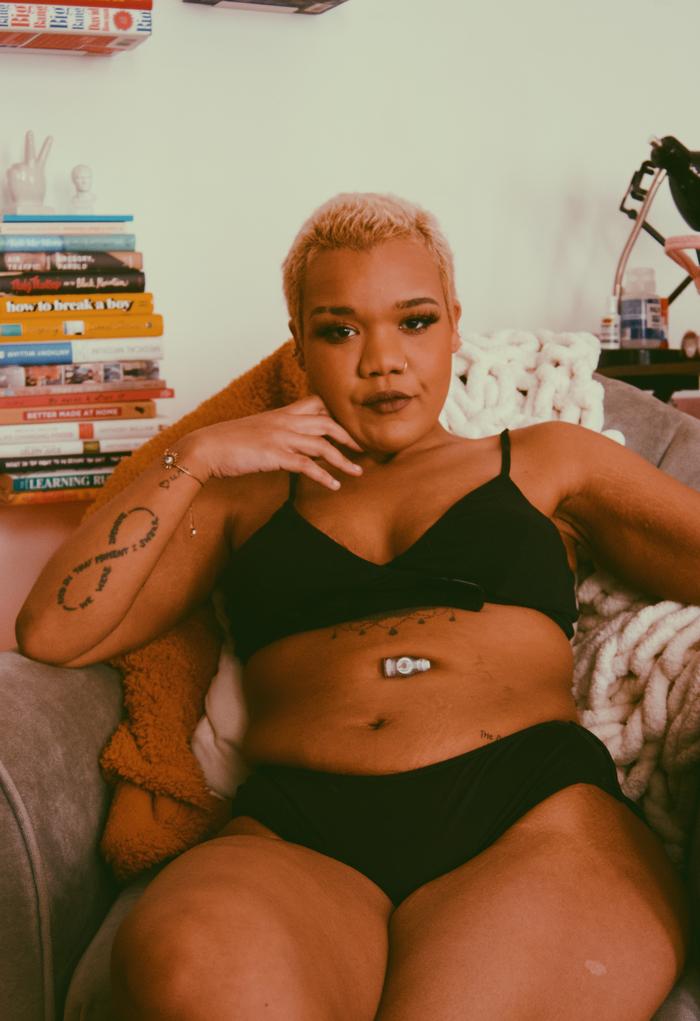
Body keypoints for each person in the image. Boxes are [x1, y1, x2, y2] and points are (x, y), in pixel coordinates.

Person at [16, 193, 693, 1020]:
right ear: (299, 344)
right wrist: (197, 455)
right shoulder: (241, 496)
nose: (383, 361)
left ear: (454, 325)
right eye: (340, 330)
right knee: (190, 974)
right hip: (299, 830)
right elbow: (52, 630)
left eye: (415, 321)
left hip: (527, 810)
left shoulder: (546, 459)